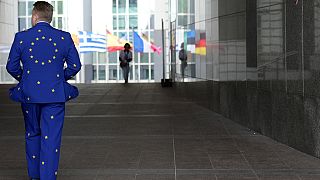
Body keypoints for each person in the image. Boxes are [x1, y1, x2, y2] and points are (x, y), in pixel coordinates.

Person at [6, 1, 81, 180]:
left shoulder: (21, 37)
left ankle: (34, 177)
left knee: (32, 134)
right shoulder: (63, 37)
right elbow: (75, 65)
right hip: (55, 95)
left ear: (34, 16)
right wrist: (58, 78)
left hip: (29, 95)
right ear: (50, 17)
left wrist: (25, 79)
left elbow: (11, 66)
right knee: (51, 139)